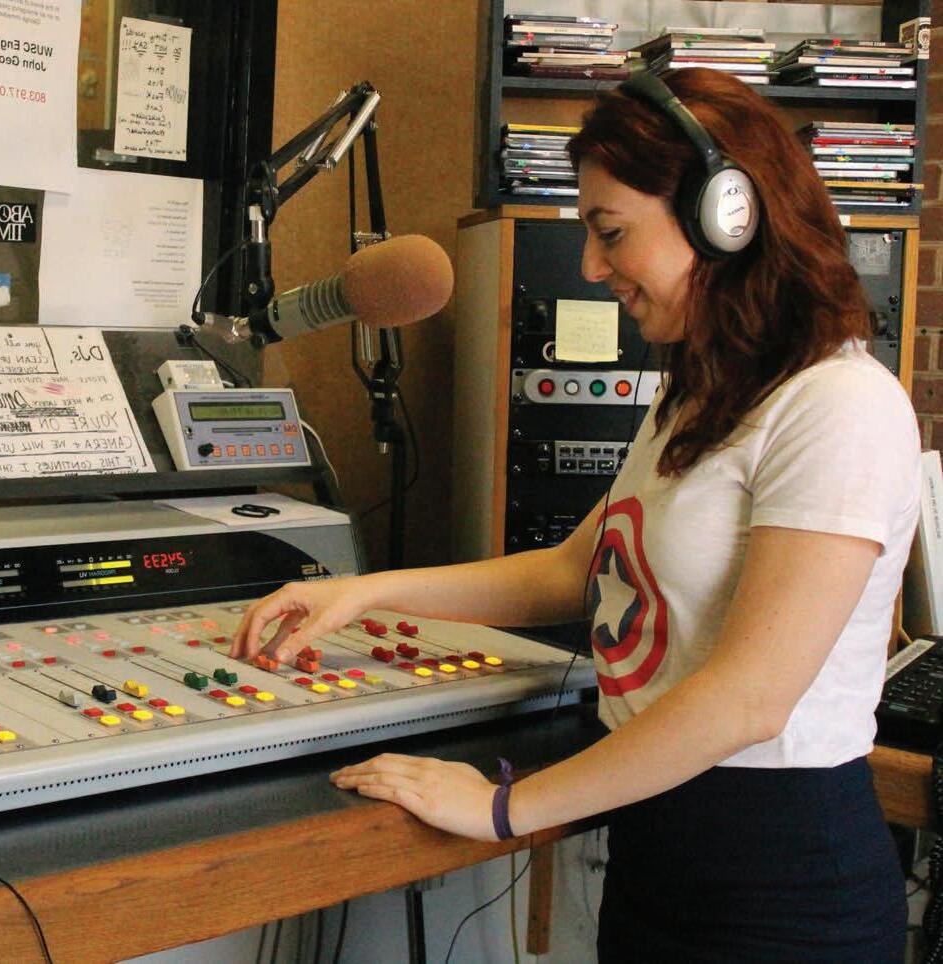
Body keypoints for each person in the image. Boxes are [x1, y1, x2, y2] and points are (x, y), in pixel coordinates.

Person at [230, 67, 920, 962]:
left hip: (779, 885)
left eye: (612, 232)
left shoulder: (839, 406)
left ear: (727, 216)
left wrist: (502, 807)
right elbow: (573, 569)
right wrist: (363, 594)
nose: (593, 267)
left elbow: (749, 699)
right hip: (659, 854)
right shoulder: (701, 393)